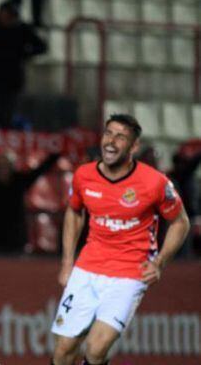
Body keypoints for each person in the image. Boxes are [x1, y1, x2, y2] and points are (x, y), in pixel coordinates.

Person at [51, 114, 190, 365]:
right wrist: (67, 262)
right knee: (63, 351)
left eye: (120, 137)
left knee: (95, 349)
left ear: (133, 147)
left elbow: (180, 222)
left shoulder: (154, 183)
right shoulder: (84, 175)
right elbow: (74, 211)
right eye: (108, 133)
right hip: (88, 268)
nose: (111, 141)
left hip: (129, 273)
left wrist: (159, 262)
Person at [0, 1, 46, 128]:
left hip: (13, 77)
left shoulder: (22, 29)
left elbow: (41, 46)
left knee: (8, 113)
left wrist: (24, 54)